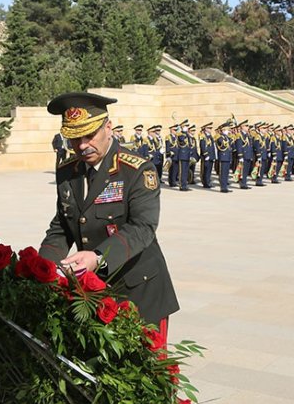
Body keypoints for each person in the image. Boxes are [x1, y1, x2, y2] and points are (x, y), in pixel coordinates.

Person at [39, 92, 179, 330]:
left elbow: (142, 227)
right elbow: (63, 224)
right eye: (74, 138)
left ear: (108, 128)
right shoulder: (68, 170)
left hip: (138, 294)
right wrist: (43, 268)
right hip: (94, 293)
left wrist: (98, 258)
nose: (82, 146)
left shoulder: (136, 170)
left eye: (89, 135)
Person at [216, 122, 234, 192]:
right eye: (227, 130)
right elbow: (222, 145)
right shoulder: (220, 137)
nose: (228, 131)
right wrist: (229, 140)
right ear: (223, 130)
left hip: (227, 157)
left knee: (226, 173)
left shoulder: (227, 137)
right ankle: (223, 187)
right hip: (223, 157)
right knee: (223, 173)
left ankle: (225, 186)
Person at [199, 122, 216, 188]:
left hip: (211, 156)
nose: (210, 129)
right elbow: (202, 146)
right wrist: (206, 155)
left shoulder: (210, 136)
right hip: (206, 156)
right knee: (205, 170)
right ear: (205, 129)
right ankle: (205, 183)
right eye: (209, 128)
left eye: (211, 128)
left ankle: (208, 181)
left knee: (209, 170)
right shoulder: (203, 136)